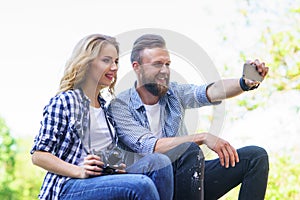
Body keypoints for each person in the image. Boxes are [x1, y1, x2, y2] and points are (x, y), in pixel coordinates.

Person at [109, 34, 269, 200]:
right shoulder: (120, 106)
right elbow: (151, 146)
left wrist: (245, 82)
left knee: (255, 157)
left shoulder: (174, 93)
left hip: (186, 179)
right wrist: (202, 137)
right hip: (150, 184)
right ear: (137, 67)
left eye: (167, 64)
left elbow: (209, 92)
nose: (164, 71)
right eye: (157, 64)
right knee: (188, 149)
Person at [30, 34, 174, 200]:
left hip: (100, 181)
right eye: (106, 60)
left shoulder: (106, 109)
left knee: (160, 162)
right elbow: (39, 155)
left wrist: (115, 167)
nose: (114, 67)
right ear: (87, 63)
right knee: (141, 185)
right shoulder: (65, 100)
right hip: (68, 185)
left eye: (116, 62)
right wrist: (80, 170)